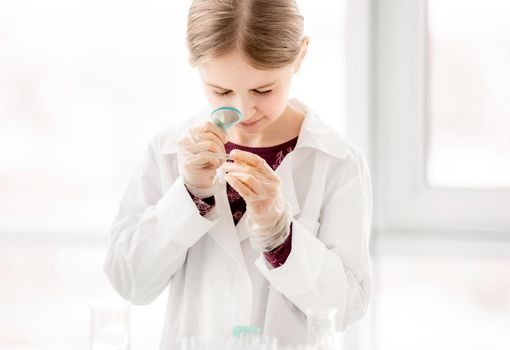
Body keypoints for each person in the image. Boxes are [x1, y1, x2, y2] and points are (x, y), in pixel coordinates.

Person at [103, 0, 372, 348]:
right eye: (221, 91)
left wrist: (281, 238)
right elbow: (130, 282)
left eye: (263, 90)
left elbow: (346, 308)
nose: (243, 111)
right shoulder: (168, 152)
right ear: (195, 64)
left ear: (300, 55)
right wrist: (190, 195)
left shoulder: (336, 162)